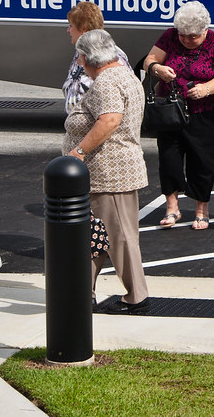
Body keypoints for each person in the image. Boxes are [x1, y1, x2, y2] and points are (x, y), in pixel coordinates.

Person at [62, 29, 149, 314]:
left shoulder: (107, 82)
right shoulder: (123, 75)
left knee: (119, 237)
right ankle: (81, 292)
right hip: (109, 173)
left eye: (80, 56)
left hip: (109, 173)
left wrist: (79, 152)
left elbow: (110, 120)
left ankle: (137, 296)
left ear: (86, 58)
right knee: (94, 237)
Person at [142, 1, 214, 230]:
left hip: (206, 111)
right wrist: (158, 69)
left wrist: (207, 88)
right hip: (171, 109)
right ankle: (172, 207)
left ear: (204, 31)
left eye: (192, 36)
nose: (186, 40)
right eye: (183, 35)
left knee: (203, 160)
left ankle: (202, 208)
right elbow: (149, 61)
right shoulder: (170, 37)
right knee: (169, 158)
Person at [63, 1, 129, 114]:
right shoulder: (81, 51)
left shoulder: (111, 55)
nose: (68, 30)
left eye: (71, 26)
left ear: (83, 29)